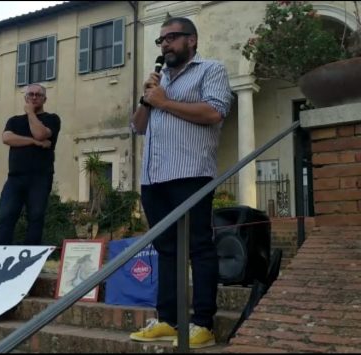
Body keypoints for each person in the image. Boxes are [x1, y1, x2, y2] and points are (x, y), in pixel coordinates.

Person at [129, 17, 233, 349]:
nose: (166, 45)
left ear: (192, 40)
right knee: (165, 250)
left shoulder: (210, 70)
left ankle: (203, 323)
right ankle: (168, 320)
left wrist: (165, 103)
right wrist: (148, 100)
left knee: (199, 247)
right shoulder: (157, 83)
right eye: (162, 41)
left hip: (190, 173)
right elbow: (138, 127)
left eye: (172, 38)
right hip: (153, 177)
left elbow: (215, 113)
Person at [0, 84, 61, 245]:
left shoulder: (52, 119)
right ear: (25, 98)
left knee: (36, 217)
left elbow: (40, 133)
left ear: (44, 99)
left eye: (38, 95)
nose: (34, 97)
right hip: (15, 178)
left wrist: (30, 112)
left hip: (40, 177)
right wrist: (34, 142)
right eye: (30, 94)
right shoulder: (14, 121)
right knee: (5, 216)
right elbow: (7, 138)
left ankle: (30, 260)